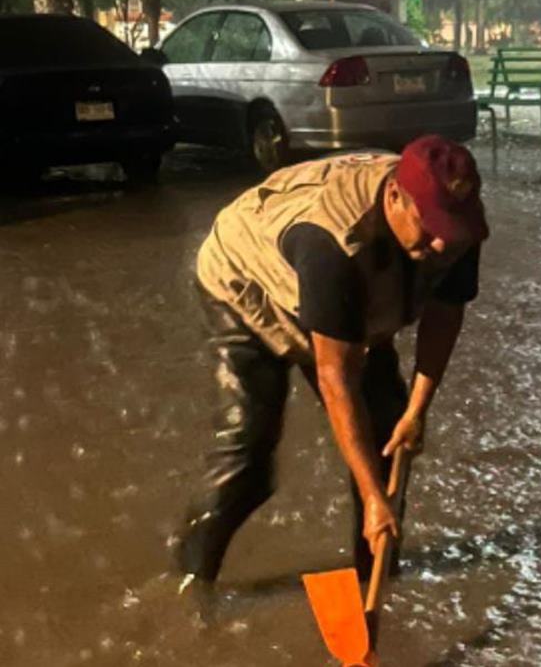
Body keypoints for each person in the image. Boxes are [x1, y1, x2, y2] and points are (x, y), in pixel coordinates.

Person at [175, 135, 488, 587]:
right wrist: (371, 494)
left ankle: (376, 582)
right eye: (431, 227)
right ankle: (189, 582)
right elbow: (335, 376)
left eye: (452, 233)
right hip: (247, 284)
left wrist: (418, 411)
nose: (443, 245)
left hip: (352, 291)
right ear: (395, 198)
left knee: (388, 429)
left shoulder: (456, 224)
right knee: (249, 454)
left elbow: (445, 314)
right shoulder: (332, 244)